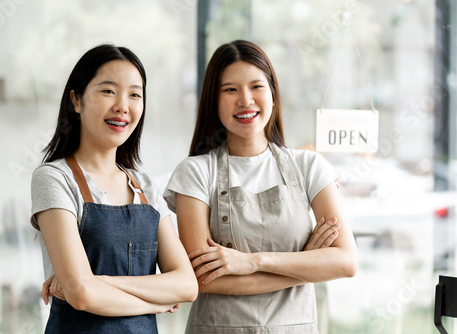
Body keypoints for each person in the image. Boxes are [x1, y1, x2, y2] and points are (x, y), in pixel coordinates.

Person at [164, 40, 358, 333]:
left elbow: (345, 262)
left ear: (273, 94)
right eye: (230, 90)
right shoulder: (195, 172)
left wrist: (252, 262)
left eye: (256, 86)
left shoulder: (309, 167)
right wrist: (306, 265)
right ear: (213, 101)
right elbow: (203, 279)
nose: (245, 100)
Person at [30, 44, 198, 333]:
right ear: (76, 100)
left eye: (134, 94)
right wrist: (157, 302)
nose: (123, 105)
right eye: (108, 91)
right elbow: (82, 295)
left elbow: (186, 285)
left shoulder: (145, 186)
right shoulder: (54, 178)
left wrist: (101, 282)